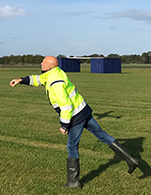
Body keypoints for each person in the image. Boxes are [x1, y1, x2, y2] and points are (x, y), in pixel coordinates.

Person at [9, 56, 139, 188]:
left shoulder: (55, 82)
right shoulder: (55, 72)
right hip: (84, 110)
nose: (41, 63)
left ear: (48, 67)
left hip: (75, 116)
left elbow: (66, 106)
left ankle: (73, 181)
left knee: (72, 146)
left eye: (43, 62)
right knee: (102, 135)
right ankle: (131, 160)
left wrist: (64, 125)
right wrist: (21, 80)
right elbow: (39, 79)